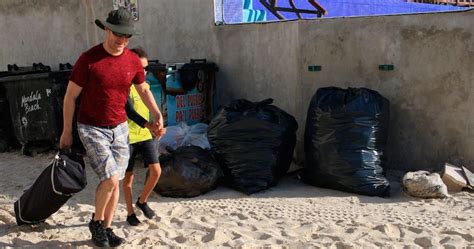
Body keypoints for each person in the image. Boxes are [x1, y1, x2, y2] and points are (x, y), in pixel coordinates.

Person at [59, 9, 164, 247]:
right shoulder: (88, 60)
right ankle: (96, 224)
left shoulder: (132, 61)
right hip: (91, 127)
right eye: (118, 34)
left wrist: (157, 114)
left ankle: (106, 228)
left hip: (120, 128)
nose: (122, 40)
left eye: (127, 36)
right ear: (106, 29)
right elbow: (69, 97)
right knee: (109, 177)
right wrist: (66, 131)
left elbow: (143, 89)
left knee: (115, 180)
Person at [123, 47, 163, 226]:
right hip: (127, 137)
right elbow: (130, 112)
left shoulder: (145, 86)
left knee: (156, 171)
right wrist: (150, 125)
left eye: (146, 68)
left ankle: (142, 201)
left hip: (145, 134)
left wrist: (159, 124)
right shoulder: (124, 86)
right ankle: (130, 212)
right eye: (140, 67)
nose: (143, 72)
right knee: (128, 178)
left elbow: (153, 109)